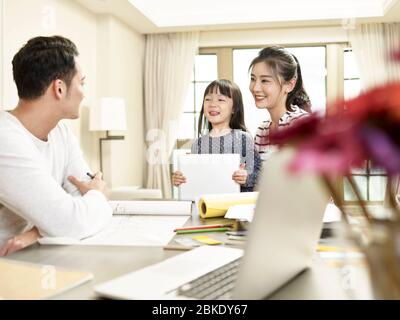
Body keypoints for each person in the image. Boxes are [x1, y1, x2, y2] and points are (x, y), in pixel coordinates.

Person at [0, 36, 113, 256]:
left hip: (37, 256)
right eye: (82, 83)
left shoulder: (61, 134)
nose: (84, 93)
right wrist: (96, 196)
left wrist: (37, 233)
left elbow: (83, 200)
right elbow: (76, 218)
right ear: (59, 89)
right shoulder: (5, 139)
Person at [172, 79, 261, 192]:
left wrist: (246, 177)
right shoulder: (198, 145)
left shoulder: (243, 139)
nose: (213, 104)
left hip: (236, 206)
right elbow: (196, 179)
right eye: (208, 99)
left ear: (234, 108)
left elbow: (259, 174)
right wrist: (180, 179)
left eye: (221, 99)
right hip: (206, 205)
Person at [249, 46, 311, 161]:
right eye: (253, 79)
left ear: (289, 85)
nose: (255, 88)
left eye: (265, 81)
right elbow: (259, 176)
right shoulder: (261, 131)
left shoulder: (301, 124)